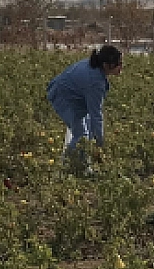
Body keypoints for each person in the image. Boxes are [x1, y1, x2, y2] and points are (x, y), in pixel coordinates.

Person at [46, 44, 122, 173]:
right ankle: (65, 167)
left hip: (72, 98)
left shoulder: (94, 66)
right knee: (81, 136)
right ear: (106, 65)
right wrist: (100, 143)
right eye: (118, 63)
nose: (121, 67)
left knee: (88, 131)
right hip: (63, 98)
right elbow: (96, 115)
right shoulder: (95, 82)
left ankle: (82, 166)